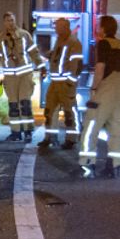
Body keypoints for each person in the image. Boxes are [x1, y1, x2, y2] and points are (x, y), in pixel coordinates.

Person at [80, 15, 120, 178]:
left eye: (99, 25)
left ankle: (88, 164)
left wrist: (95, 88)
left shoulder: (102, 44)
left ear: (104, 29)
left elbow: (100, 68)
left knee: (91, 126)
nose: (97, 28)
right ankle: (115, 165)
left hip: (105, 89)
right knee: (117, 129)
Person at [0, 11, 44, 141]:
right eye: (8, 20)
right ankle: (16, 133)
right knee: (13, 105)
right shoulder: (1, 39)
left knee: (25, 104)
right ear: (4, 23)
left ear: (15, 21)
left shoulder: (25, 35)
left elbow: (34, 52)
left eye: (12, 20)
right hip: (10, 77)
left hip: (24, 74)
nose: (10, 23)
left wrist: (41, 67)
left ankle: (28, 131)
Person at [38, 17, 83, 150]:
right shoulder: (60, 40)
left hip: (65, 83)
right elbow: (57, 56)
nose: (56, 29)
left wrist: (70, 82)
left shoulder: (74, 42)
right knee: (50, 111)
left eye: (58, 27)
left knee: (69, 112)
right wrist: (48, 55)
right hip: (55, 82)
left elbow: (76, 64)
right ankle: (50, 137)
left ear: (66, 27)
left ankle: (71, 139)